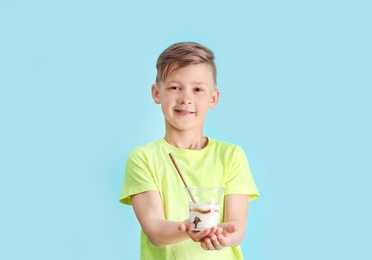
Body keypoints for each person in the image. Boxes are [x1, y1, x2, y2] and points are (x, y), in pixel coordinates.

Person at [120, 42, 260, 259]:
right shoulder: (143, 158)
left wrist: (225, 236)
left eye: (198, 89)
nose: (186, 98)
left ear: (213, 98)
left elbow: (237, 224)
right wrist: (188, 228)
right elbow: (155, 230)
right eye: (175, 87)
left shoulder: (231, 156)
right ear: (157, 93)